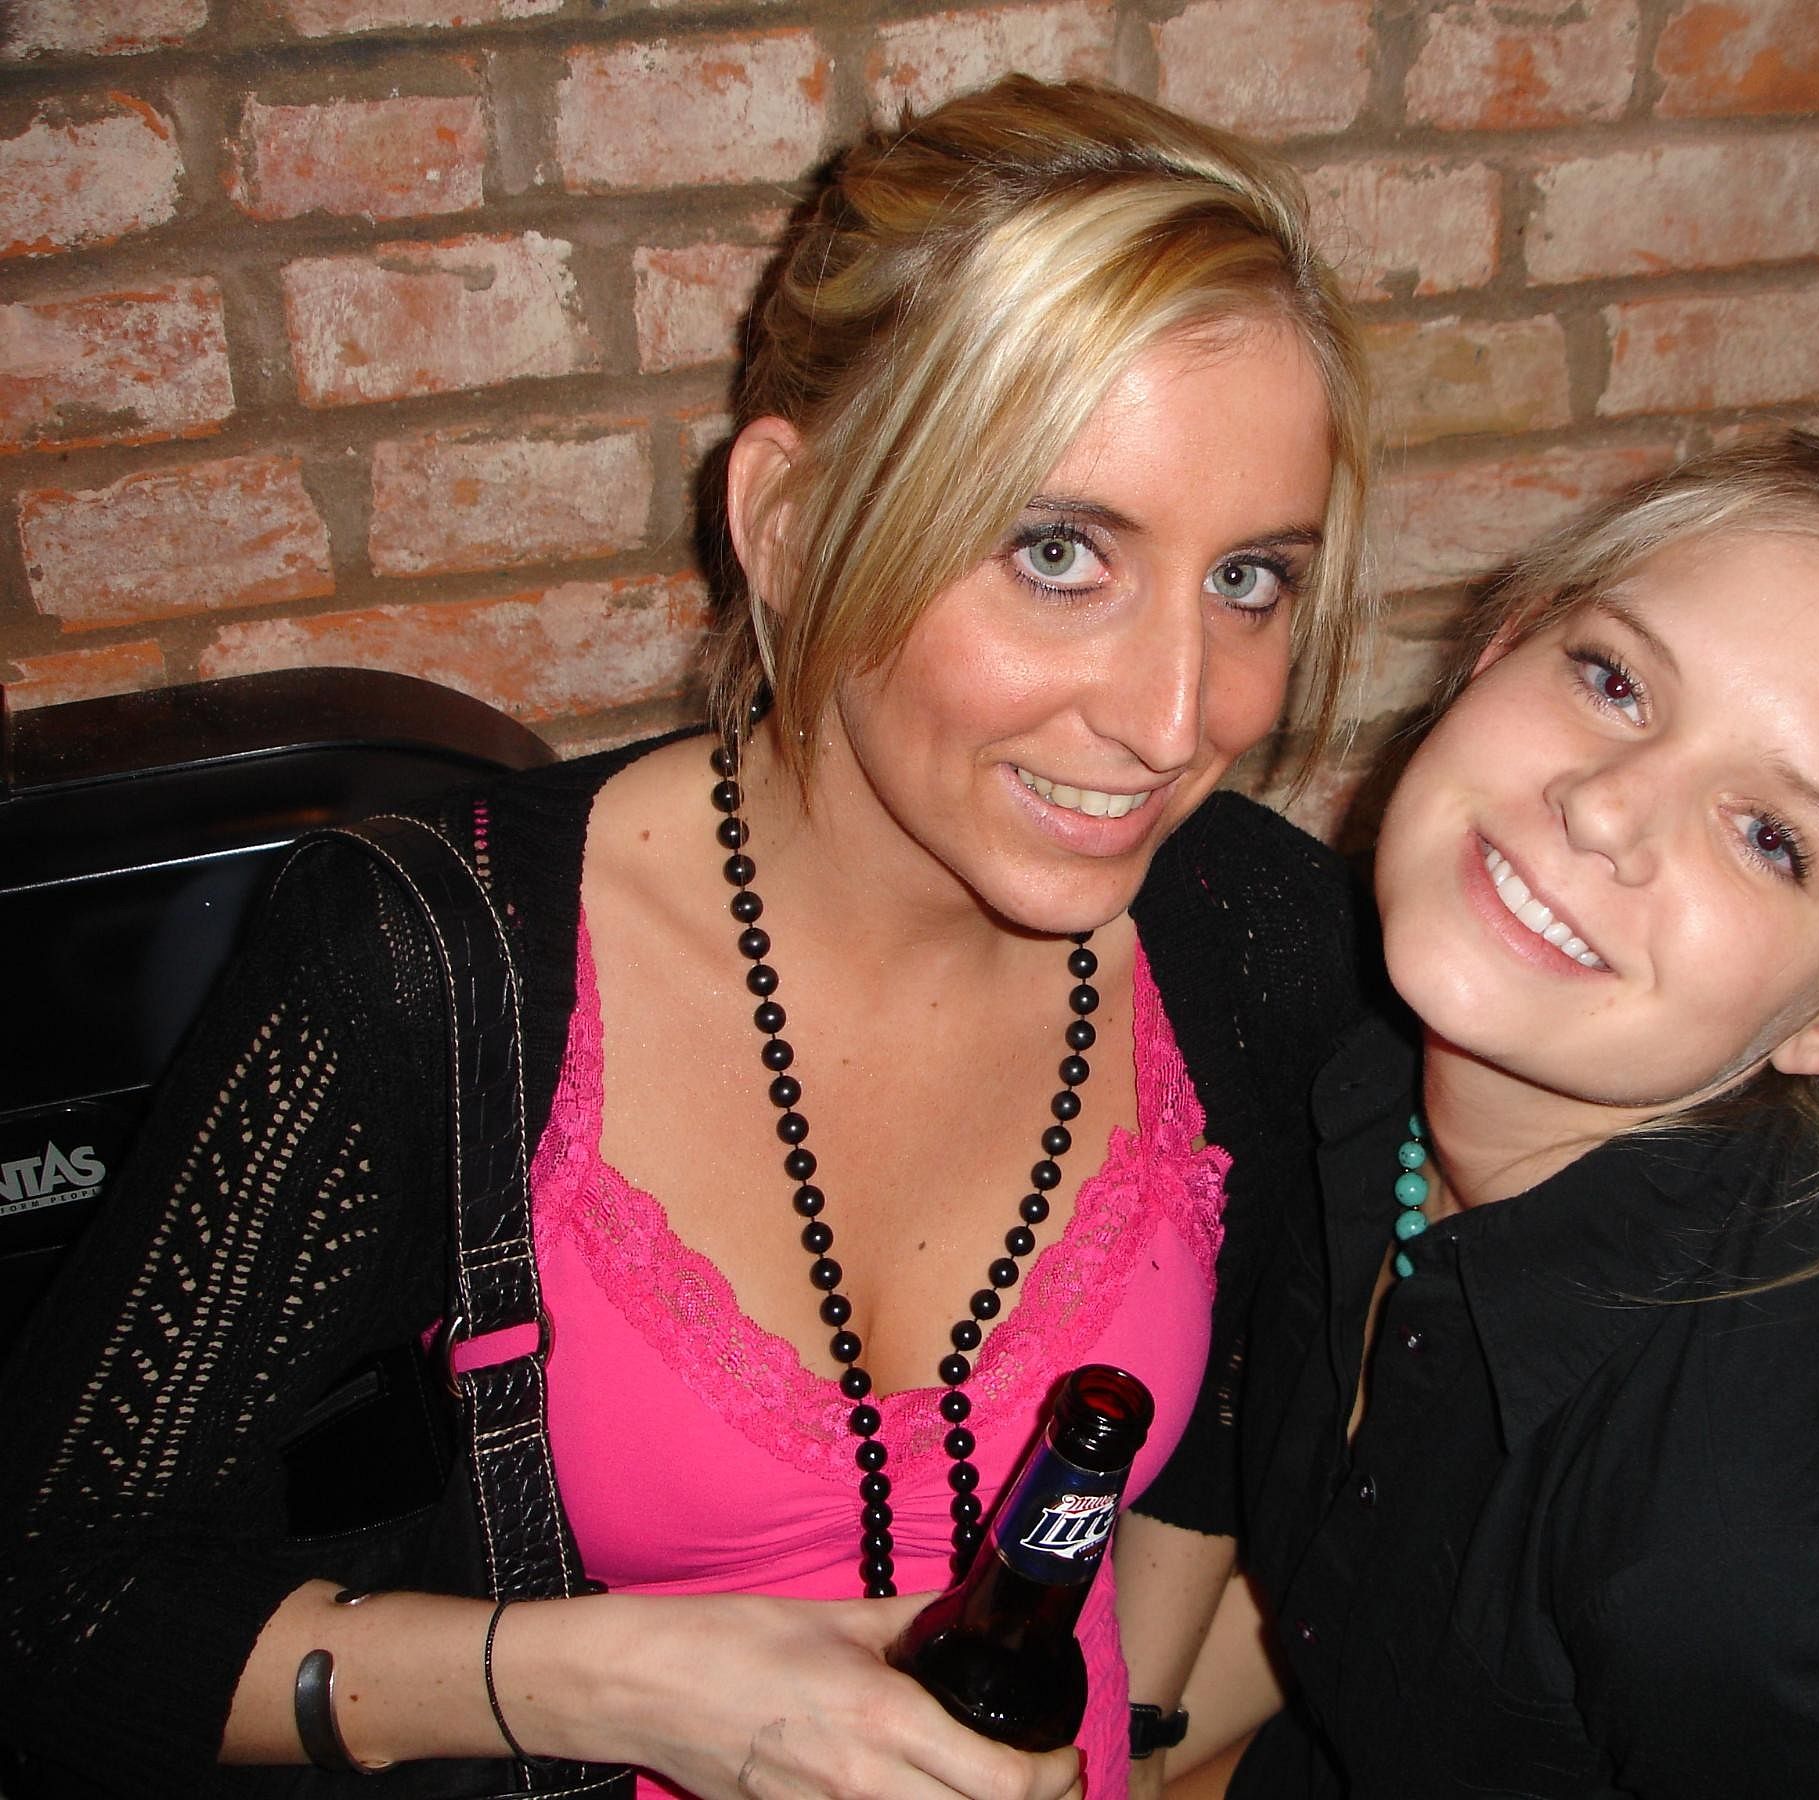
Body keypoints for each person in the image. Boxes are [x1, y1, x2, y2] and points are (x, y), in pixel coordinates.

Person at [0, 78, 1374, 1800]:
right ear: (789, 530)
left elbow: (1235, 1407)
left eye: (1249, 581)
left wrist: (1138, 1737)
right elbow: (49, 1613)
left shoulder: (1247, 926)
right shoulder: (434, 970)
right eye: (1058, 552)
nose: (1179, 718)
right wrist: (629, 1689)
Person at [1167, 431, 1819, 1797]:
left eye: (1771, 837)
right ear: (1499, 651)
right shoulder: (1362, 1070)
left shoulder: (1767, 1554)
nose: (1606, 809)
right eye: (1613, 680)